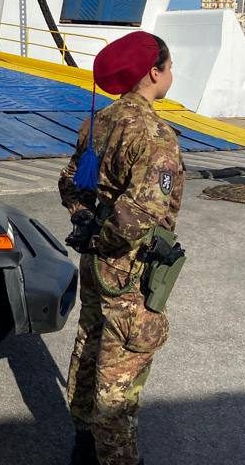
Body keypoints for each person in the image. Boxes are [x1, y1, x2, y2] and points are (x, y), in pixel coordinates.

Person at [58, 31, 184, 465]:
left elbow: (70, 184)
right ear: (154, 72)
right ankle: (114, 457)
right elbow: (140, 216)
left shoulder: (100, 122)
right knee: (120, 370)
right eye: (169, 66)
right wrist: (105, 238)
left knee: (90, 346)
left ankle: (83, 446)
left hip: (95, 264)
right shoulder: (155, 134)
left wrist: (86, 224)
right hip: (129, 272)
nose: (171, 73)